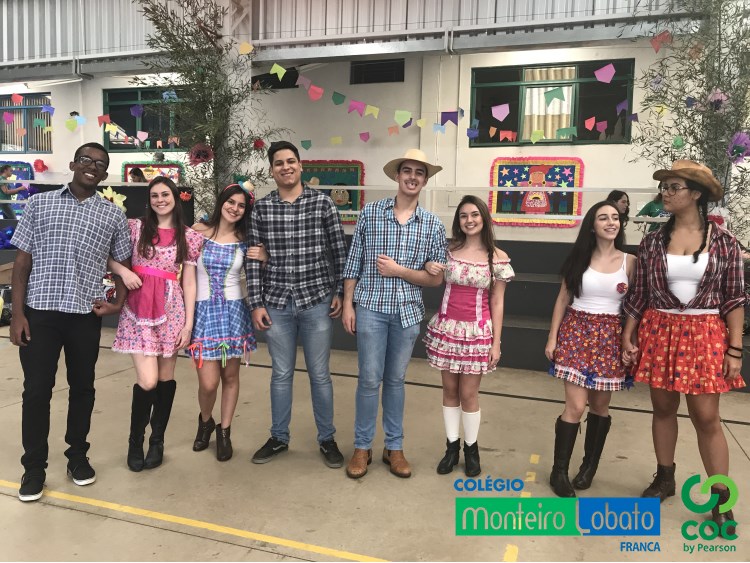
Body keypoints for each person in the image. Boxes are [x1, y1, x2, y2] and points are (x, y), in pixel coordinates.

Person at [622, 160, 745, 538]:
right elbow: (640, 295)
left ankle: (721, 498)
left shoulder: (724, 243)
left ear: (696, 194)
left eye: (674, 187)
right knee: (663, 408)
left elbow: (735, 298)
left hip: (705, 334)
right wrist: (629, 334)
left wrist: (735, 349)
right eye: (665, 187)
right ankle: (665, 477)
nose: (666, 193)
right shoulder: (652, 242)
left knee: (706, 417)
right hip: (660, 331)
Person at [10, 142, 131, 502]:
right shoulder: (39, 204)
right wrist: (17, 314)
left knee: (83, 388)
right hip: (40, 313)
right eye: (86, 160)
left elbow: (123, 265)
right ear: (74, 164)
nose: (93, 167)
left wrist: (117, 303)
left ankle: (77, 456)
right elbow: (21, 264)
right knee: (36, 391)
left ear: (105, 174)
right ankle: (34, 468)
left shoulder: (112, 216)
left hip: (83, 315)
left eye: (100, 164)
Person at [342, 148, 447, 479]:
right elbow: (354, 261)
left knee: (396, 381)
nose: (413, 177)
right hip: (371, 307)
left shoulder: (432, 225)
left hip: (407, 313)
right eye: (408, 171)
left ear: (425, 181)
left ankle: (394, 447)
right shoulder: (371, 213)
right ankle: (362, 447)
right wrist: (348, 304)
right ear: (398, 176)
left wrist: (400, 270)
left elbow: (436, 278)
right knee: (368, 379)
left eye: (419, 172)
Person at [246, 141, 348, 468]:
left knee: (320, 374)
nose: (286, 167)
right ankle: (278, 437)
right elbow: (253, 257)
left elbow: (339, 251)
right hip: (276, 303)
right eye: (279, 163)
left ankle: (327, 439)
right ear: (272, 170)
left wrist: (340, 292)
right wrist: (256, 303)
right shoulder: (262, 209)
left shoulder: (322, 204)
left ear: (301, 165)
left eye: (291, 161)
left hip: (316, 301)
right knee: (280, 374)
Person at [110, 176, 203, 472]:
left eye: (165, 194)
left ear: (175, 198)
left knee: (165, 379)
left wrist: (188, 324)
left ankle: (157, 441)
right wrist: (124, 272)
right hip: (138, 310)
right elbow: (106, 254)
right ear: (149, 200)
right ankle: (135, 441)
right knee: (148, 381)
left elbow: (190, 282)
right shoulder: (135, 228)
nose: (160, 200)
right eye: (154, 195)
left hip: (171, 310)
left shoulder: (188, 236)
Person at [544, 201, 635, 497]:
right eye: (603, 218)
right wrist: (553, 338)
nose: (611, 222)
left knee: (600, 407)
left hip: (610, 338)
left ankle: (588, 467)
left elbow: (635, 307)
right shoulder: (579, 258)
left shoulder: (630, 262)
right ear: (592, 226)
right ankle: (559, 472)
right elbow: (562, 299)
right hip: (576, 333)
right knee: (575, 406)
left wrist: (630, 340)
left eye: (615, 217)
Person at [423, 195, 513, 477]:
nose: (469, 220)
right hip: (448, 329)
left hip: (477, 332)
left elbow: (497, 301)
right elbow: (433, 276)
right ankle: (451, 447)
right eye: (463, 216)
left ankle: (471, 450)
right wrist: (429, 267)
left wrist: (496, 343)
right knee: (449, 391)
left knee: (468, 393)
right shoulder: (447, 250)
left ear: (484, 218)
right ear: (458, 221)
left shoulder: (497, 257)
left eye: (474, 214)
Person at [190, 184, 266, 461]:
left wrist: (265, 258)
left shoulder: (246, 239)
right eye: (231, 202)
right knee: (208, 383)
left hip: (234, 314)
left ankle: (224, 431)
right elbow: (182, 272)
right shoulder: (197, 231)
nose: (235, 208)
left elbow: (260, 273)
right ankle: (205, 421)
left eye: (241, 205)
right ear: (221, 202)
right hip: (203, 313)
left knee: (230, 377)